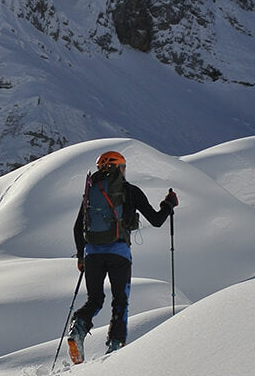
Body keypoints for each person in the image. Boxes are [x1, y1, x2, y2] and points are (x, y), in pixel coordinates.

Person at [69, 149, 178, 361]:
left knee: (95, 299)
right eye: (124, 167)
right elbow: (156, 220)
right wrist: (169, 204)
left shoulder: (91, 192)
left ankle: (78, 329)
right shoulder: (130, 191)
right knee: (120, 301)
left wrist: (82, 257)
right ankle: (115, 346)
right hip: (119, 253)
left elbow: (77, 228)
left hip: (92, 254)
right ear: (118, 167)